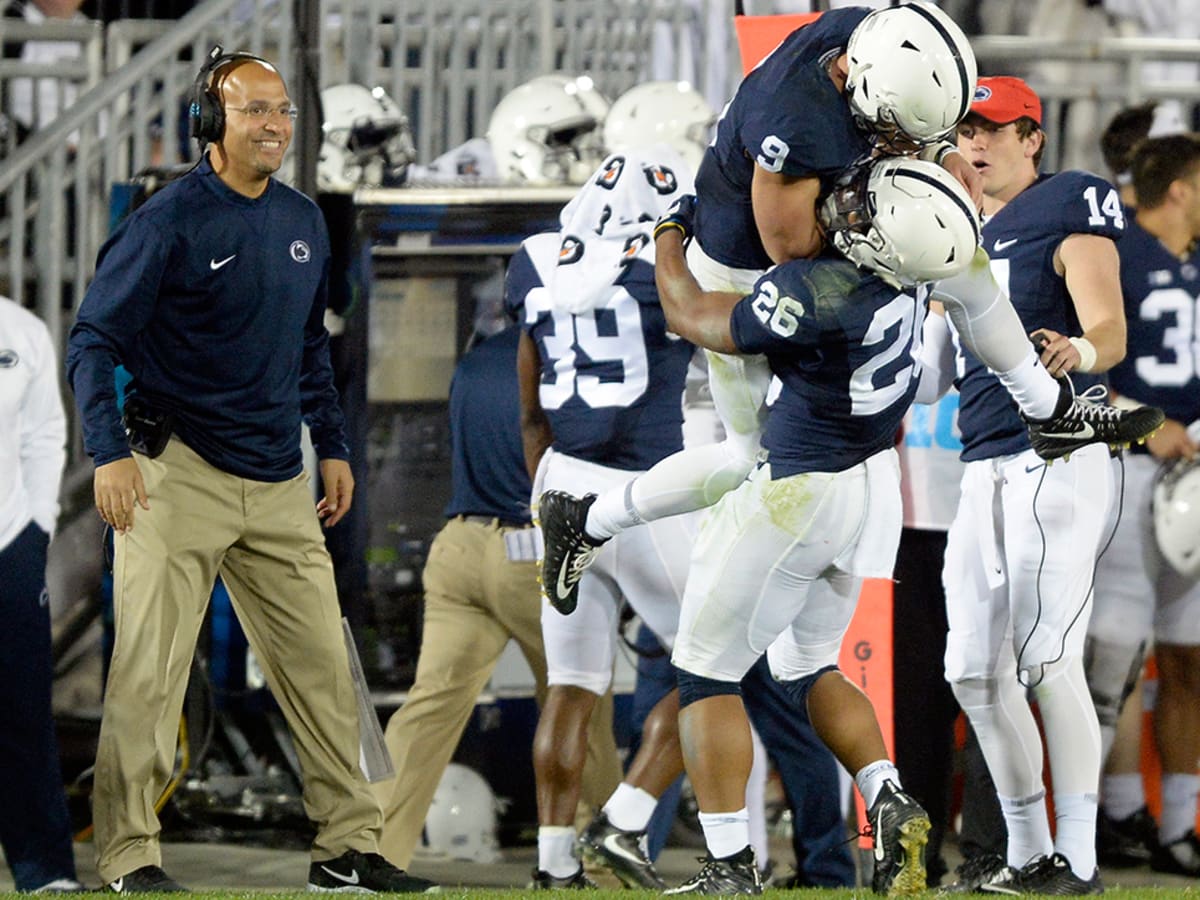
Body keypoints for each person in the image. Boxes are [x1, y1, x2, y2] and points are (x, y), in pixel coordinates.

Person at [539, 3, 1150, 616]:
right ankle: (591, 520)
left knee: (963, 261)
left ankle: (1050, 410)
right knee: (741, 455)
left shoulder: (866, 33)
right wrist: (672, 235)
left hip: (838, 206)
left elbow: (902, 116)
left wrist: (940, 155)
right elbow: (790, 250)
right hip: (754, 265)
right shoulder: (794, 125)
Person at [65, 48, 435, 894]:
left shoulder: (304, 219)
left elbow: (309, 346)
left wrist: (332, 445)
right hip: (175, 476)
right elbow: (94, 341)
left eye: (282, 112)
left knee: (322, 671)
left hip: (277, 481)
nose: (273, 126)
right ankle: (129, 858)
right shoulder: (166, 222)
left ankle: (347, 848)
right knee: (147, 680)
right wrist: (108, 455)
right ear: (210, 123)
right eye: (254, 111)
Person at [647, 155, 985, 896]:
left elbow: (693, 317)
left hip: (803, 485)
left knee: (706, 670)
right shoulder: (917, 275)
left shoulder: (822, 285)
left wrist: (669, 236)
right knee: (806, 666)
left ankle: (730, 865)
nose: (845, 210)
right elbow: (931, 380)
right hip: (873, 486)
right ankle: (890, 797)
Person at [932, 75, 1147, 894]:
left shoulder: (1067, 202)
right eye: (965, 129)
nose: (976, 143)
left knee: (1043, 661)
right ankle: (1027, 855)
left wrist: (1078, 355)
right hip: (981, 461)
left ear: (1034, 138)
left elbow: (1109, 329)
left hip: (1056, 455)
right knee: (969, 671)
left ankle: (1080, 860)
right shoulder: (955, 229)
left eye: (993, 128)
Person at [506, 145, 704, 890]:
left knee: (572, 681)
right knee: (716, 668)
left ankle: (552, 865)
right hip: (644, 494)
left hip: (560, 485)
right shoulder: (671, 268)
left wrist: (547, 493)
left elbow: (529, 408)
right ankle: (623, 817)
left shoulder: (533, 259)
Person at [373, 322, 623, 870]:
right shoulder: (562, 360)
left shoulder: (475, 359)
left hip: (459, 547)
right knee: (582, 707)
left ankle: (369, 853)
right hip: (531, 555)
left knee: (428, 710)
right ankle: (603, 866)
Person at [1085, 133, 1200, 878]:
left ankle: (1180, 825)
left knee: (1190, 659)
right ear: (1182, 188)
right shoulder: (1112, 255)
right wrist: (1141, 418)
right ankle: (1104, 815)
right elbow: (1065, 363)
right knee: (1113, 659)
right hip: (1126, 470)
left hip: (1194, 481)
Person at [0, 295, 87, 893]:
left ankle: (44, 870)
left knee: (22, 714)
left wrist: (36, 527)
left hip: (8, 548)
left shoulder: (21, 330)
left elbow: (44, 434)